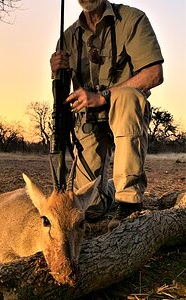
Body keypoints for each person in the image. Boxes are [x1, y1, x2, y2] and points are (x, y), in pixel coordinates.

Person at [50, 0, 164, 230]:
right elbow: (62, 97)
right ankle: (111, 188)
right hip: (89, 121)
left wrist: (102, 96)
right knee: (90, 208)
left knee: (128, 98)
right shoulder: (68, 37)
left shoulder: (132, 19)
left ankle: (129, 202)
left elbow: (154, 73)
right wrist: (55, 73)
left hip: (124, 111)